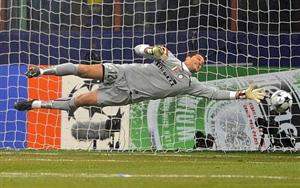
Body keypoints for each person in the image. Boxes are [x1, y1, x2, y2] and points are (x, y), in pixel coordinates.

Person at [14, 44, 266, 112]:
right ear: (188, 58)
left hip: (124, 95)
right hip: (121, 72)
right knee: (83, 69)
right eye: (198, 58)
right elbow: (138, 48)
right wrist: (150, 51)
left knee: (80, 100)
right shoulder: (168, 57)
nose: (200, 62)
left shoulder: (190, 85)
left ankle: (35, 104)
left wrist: (241, 94)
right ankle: (41, 71)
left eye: (202, 62)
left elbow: (214, 93)